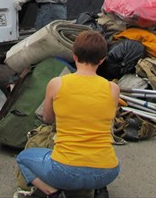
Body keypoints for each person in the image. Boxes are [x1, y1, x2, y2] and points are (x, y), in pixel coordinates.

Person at [15, 30, 120, 197]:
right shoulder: (113, 89)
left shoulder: (57, 84)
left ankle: (52, 192)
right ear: (102, 60)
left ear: (74, 56)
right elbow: (108, 121)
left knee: (23, 158)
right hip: (107, 171)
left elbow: (48, 119)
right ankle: (98, 189)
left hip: (66, 169)